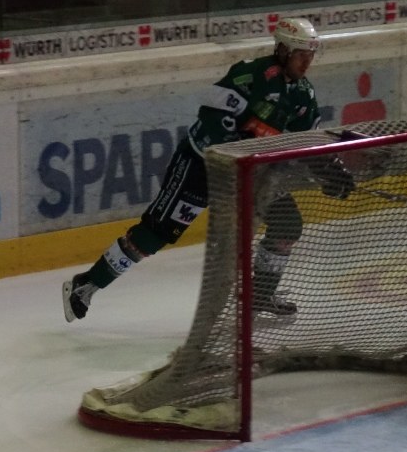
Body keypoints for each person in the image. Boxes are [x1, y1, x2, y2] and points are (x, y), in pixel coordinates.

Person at [62, 17, 355, 324]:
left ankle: (259, 295)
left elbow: (306, 141)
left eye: (310, 55)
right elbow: (214, 121)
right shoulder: (249, 75)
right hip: (201, 166)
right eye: (300, 54)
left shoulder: (303, 95)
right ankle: (87, 284)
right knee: (155, 234)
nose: (306, 62)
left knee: (287, 225)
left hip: (249, 175)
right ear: (282, 50)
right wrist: (246, 156)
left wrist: (330, 170)